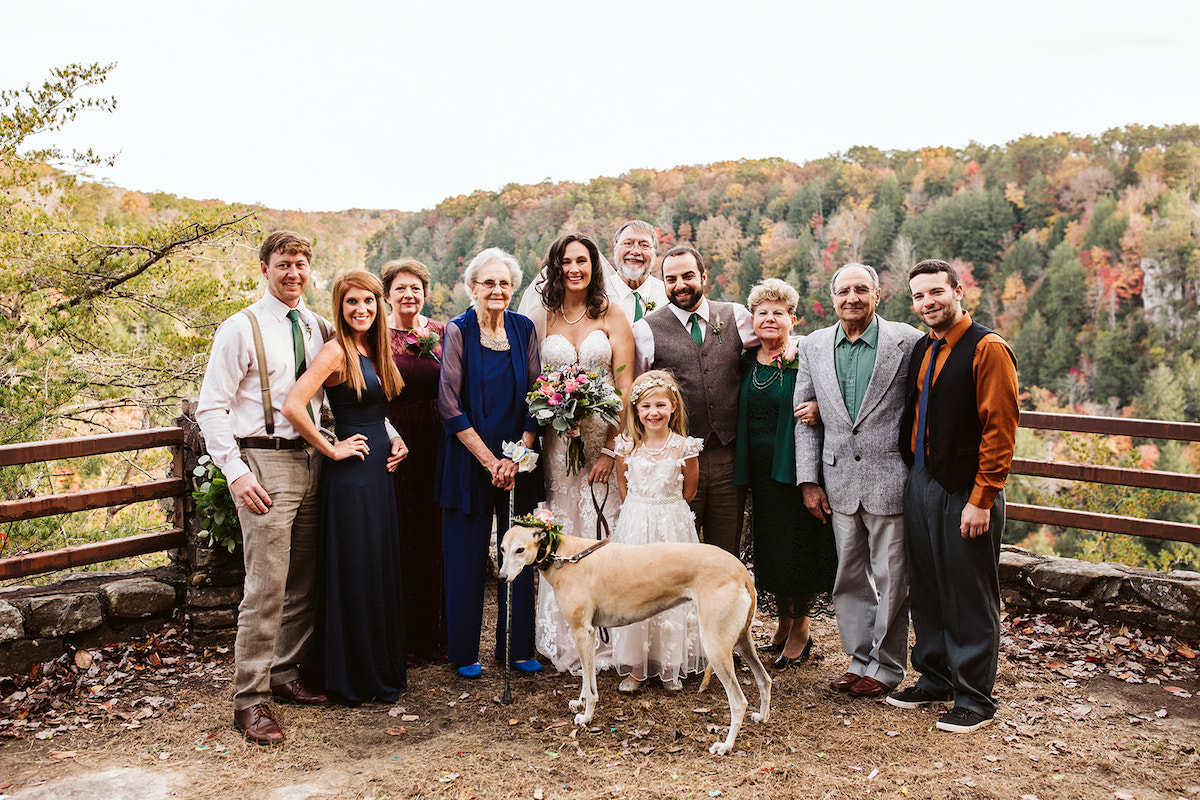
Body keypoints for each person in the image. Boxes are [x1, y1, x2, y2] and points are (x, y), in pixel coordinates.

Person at [196, 231, 402, 743]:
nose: (293, 273)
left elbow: (359, 384)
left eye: (302, 264)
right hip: (264, 462)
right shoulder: (239, 329)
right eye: (284, 264)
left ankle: (286, 674)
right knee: (265, 584)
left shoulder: (316, 326)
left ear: (311, 271)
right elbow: (210, 407)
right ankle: (251, 701)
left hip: (316, 462)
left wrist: (388, 435)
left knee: (305, 582)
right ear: (264, 268)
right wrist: (236, 471)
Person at [886, 259, 1018, 733]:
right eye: (919, 296)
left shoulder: (988, 348)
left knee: (968, 591)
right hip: (922, 480)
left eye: (936, 292)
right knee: (928, 586)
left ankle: (975, 697)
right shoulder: (925, 346)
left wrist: (983, 497)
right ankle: (936, 676)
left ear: (959, 290)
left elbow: (1000, 430)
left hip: (967, 487)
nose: (928, 303)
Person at [794, 264, 924, 698]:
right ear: (832, 298)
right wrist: (808, 480)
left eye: (861, 290)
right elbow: (804, 418)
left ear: (877, 294)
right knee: (849, 576)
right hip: (837, 480)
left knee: (892, 577)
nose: (852, 297)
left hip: (890, 477)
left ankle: (887, 668)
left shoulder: (905, 340)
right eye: (844, 290)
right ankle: (858, 658)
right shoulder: (812, 344)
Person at [282, 269, 410, 703]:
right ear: (340, 306)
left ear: (379, 306)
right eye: (352, 302)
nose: (362, 309)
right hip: (351, 475)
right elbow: (294, 405)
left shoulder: (373, 348)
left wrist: (394, 435)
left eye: (369, 302)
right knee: (357, 564)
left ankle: (378, 660)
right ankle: (353, 671)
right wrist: (330, 449)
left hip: (378, 472)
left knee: (376, 561)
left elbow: (375, 409)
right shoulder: (335, 350)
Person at [525, 233, 635, 674]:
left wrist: (612, 447)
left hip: (603, 443)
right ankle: (564, 633)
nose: (575, 269)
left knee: (602, 529)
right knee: (561, 529)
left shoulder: (612, 314)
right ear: (556, 267)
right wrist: (552, 413)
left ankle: (611, 632)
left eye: (583, 261)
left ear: (595, 267)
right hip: (558, 442)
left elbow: (626, 385)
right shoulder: (541, 318)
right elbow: (532, 381)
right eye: (567, 261)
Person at [436, 247, 543, 679]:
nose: (496, 289)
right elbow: (448, 404)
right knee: (464, 556)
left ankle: (516, 648)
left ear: (513, 288)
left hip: (519, 461)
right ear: (472, 287)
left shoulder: (523, 328)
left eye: (504, 283)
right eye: (488, 282)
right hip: (468, 459)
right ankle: (463, 651)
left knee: (522, 549)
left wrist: (516, 456)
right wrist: (489, 461)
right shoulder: (457, 330)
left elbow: (539, 397)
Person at [733, 279, 836, 670]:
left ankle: (801, 630)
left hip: (794, 467)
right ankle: (781, 624)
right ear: (753, 320)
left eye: (779, 312)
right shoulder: (746, 359)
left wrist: (821, 410)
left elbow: (837, 396)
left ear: (793, 318)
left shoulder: (805, 353)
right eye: (763, 312)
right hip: (758, 470)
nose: (770, 319)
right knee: (770, 546)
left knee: (798, 546)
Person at [632, 244, 756, 556]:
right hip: (676, 460)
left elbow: (774, 344)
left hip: (729, 456)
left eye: (688, 276)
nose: (680, 285)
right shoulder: (646, 330)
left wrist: (793, 351)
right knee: (679, 552)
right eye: (671, 279)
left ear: (703, 277)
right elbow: (636, 392)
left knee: (725, 552)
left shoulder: (736, 316)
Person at [610, 370, 706, 692]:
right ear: (636, 411)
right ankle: (636, 667)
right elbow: (624, 486)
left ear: (673, 408)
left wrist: (665, 509)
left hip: (672, 524)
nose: (654, 412)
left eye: (661, 405)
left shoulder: (684, 447)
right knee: (636, 589)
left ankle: (669, 665)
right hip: (636, 523)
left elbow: (689, 489)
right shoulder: (626, 446)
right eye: (646, 406)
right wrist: (640, 512)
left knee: (670, 589)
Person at [382, 257, 447, 663]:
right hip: (396, 440)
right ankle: (401, 637)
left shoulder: (442, 332)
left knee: (436, 532)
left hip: (440, 440)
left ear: (425, 292)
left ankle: (435, 634)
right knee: (401, 533)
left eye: (416, 288)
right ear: (387, 293)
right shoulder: (375, 334)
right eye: (400, 288)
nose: (409, 295)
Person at [518, 220, 668, 322]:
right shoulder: (593, 292)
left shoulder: (668, 295)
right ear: (615, 247)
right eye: (628, 243)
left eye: (644, 245)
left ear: (655, 252)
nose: (635, 251)